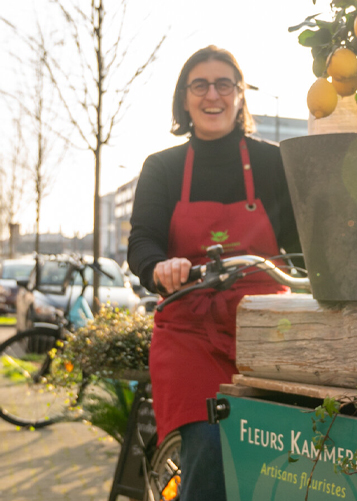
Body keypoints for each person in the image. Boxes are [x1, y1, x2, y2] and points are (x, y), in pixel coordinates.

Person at [127, 45, 302, 501]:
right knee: (209, 449)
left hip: (265, 332)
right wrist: (159, 266)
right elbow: (141, 240)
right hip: (188, 333)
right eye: (199, 85)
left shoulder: (272, 163)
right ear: (184, 99)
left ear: (240, 96)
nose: (212, 94)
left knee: (281, 452)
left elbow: (302, 246)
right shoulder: (162, 167)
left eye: (224, 84)